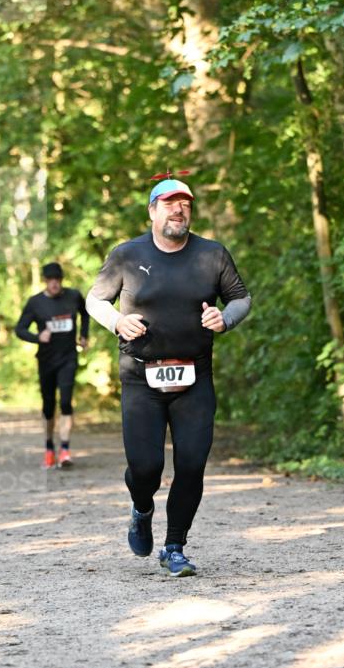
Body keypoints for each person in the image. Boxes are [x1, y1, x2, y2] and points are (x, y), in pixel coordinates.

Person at [86, 176, 251, 577]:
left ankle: (174, 546)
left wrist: (224, 318)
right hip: (141, 377)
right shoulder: (127, 255)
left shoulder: (212, 255)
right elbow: (95, 300)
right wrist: (116, 322)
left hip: (194, 376)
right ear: (152, 211)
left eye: (185, 205)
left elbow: (240, 298)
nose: (178, 210)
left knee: (192, 464)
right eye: (170, 203)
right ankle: (142, 509)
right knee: (146, 469)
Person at [15, 262, 89, 468]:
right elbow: (20, 329)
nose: (54, 283)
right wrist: (37, 337)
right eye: (50, 280)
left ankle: (65, 450)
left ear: (62, 280)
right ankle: (49, 448)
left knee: (65, 402)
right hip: (46, 360)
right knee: (49, 406)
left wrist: (83, 335)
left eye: (57, 279)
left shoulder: (73, 296)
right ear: (45, 281)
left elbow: (85, 313)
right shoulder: (35, 303)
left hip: (68, 358)